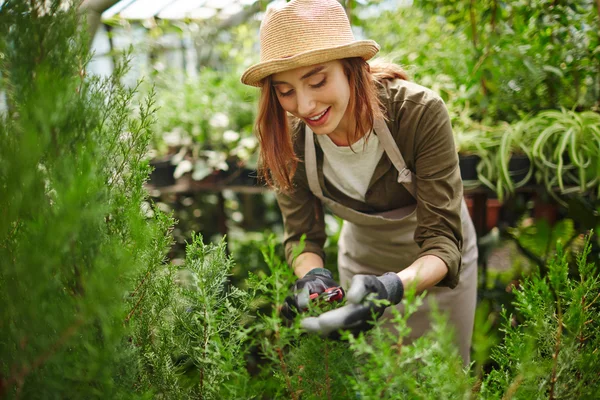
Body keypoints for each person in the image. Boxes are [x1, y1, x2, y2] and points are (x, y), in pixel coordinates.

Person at [240, 0, 478, 364]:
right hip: (362, 270)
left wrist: (391, 287)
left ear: (353, 69)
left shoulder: (417, 113)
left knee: (441, 378)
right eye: (284, 91)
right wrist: (313, 278)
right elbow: (302, 235)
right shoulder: (288, 136)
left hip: (437, 270)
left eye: (317, 80)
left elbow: (443, 242)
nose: (304, 106)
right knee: (371, 380)